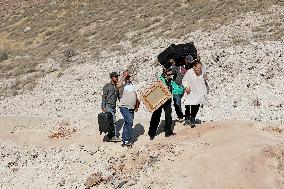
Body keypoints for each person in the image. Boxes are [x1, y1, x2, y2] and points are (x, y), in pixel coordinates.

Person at [148, 68, 176, 140]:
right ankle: (152, 133)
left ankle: (168, 131)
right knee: (156, 116)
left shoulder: (171, 80)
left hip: (167, 100)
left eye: (171, 74)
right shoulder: (160, 79)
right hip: (159, 100)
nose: (170, 76)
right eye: (168, 74)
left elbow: (174, 88)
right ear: (165, 73)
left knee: (168, 115)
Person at [117, 70, 140, 147]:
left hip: (132, 107)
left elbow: (136, 96)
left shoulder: (132, 85)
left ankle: (125, 140)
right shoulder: (122, 85)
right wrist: (123, 77)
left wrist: (136, 106)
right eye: (126, 77)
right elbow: (118, 86)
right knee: (129, 121)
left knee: (128, 123)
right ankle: (127, 139)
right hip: (124, 106)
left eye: (128, 77)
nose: (128, 78)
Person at [182, 60, 208, 128]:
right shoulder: (189, 73)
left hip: (200, 91)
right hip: (192, 91)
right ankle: (191, 118)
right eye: (198, 68)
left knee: (197, 104)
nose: (199, 70)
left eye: (200, 68)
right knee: (193, 104)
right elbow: (184, 81)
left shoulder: (202, 71)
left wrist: (205, 78)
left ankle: (192, 117)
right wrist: (186, 87)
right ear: (194, 67)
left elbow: (204, 76)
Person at [101, 72, 121, 142]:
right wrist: (103, 106)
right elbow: (104, 96)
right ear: (112, 77)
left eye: (117, 77)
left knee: (110, 123)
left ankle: (109, 136)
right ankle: (114, 136)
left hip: (113, 107)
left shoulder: (116, 87)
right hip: (108, 107)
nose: (117, 78)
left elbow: (119, 97)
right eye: (115, 77)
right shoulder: (107, 86)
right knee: (114, 122)